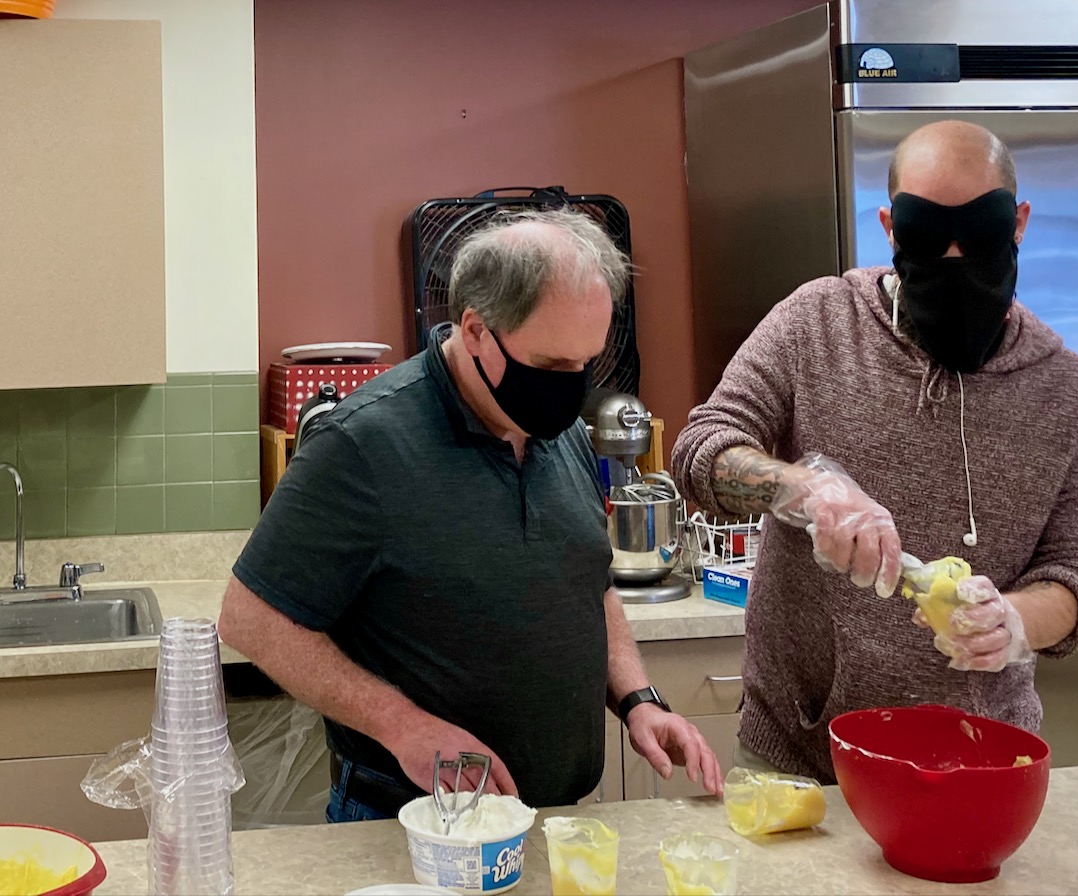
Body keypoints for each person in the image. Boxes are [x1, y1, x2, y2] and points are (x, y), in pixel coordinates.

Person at [220, 208, 722, 821]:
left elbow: (587, 581)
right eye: (553, 366)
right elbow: (250, 619)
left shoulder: (554, 428)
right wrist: (404, 727)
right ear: (477, 329)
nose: (572, 387)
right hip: (411, 826)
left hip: (558, 819)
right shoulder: (363, 443)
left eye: (585, 364)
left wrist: (638, 699)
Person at [671, 120, 1078, 782]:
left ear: (1019, 222)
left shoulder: (1067, 389)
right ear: (889, 227)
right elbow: (701, 449)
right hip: (798, 755)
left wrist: (1015, 621)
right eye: (930, 235)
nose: (957, 258)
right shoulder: (814, 324)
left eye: (982, 232)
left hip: (981, 759)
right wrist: (804, 490)